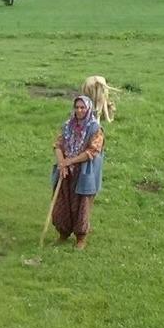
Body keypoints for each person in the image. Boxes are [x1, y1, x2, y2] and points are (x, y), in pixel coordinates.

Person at [51, 95, 105, 250]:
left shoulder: (95, 128)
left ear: (88, 108)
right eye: (77, 107)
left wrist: (71, 161)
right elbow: (58, 144)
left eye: (82, 107)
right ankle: (63, 233)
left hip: (84, 171)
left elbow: (92, 151)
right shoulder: (68, 125)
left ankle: (81, 237)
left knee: (82, 204)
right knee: (63, 201)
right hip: (67, 171)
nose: (79, 110)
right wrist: (62, 163)